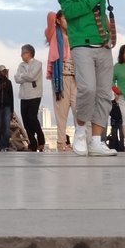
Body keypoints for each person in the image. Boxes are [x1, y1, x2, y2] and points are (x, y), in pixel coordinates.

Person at [57, 0, 117, 157]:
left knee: (103, 93)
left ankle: (97, 140)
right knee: (87, 89)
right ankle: (80, 132)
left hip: (102, 43)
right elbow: (70, 12)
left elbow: (99, 13)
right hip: (81, 43)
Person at [45, 11, 76, 151]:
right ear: (58, 21)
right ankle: (61, 142)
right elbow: (50, 15)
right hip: (61, 76)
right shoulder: (53, 35)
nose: (68, 20)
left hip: (76, 77)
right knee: (61, 113)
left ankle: (80, 141)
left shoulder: (76, 35)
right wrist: (65, 8)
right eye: (65, 18)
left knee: (79, 111)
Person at [14, 45, 45, 152]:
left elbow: (32, 76)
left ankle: (41, 139)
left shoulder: (38, 64)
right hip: (23, 95)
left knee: (32, 117)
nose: (21, 55)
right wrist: (24, 76)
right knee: (26, 121)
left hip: (35, 94)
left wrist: (22, 76)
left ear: (29, 53)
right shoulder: (20, 65)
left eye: (23, 53)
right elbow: (16, 79)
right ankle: (33, 144)